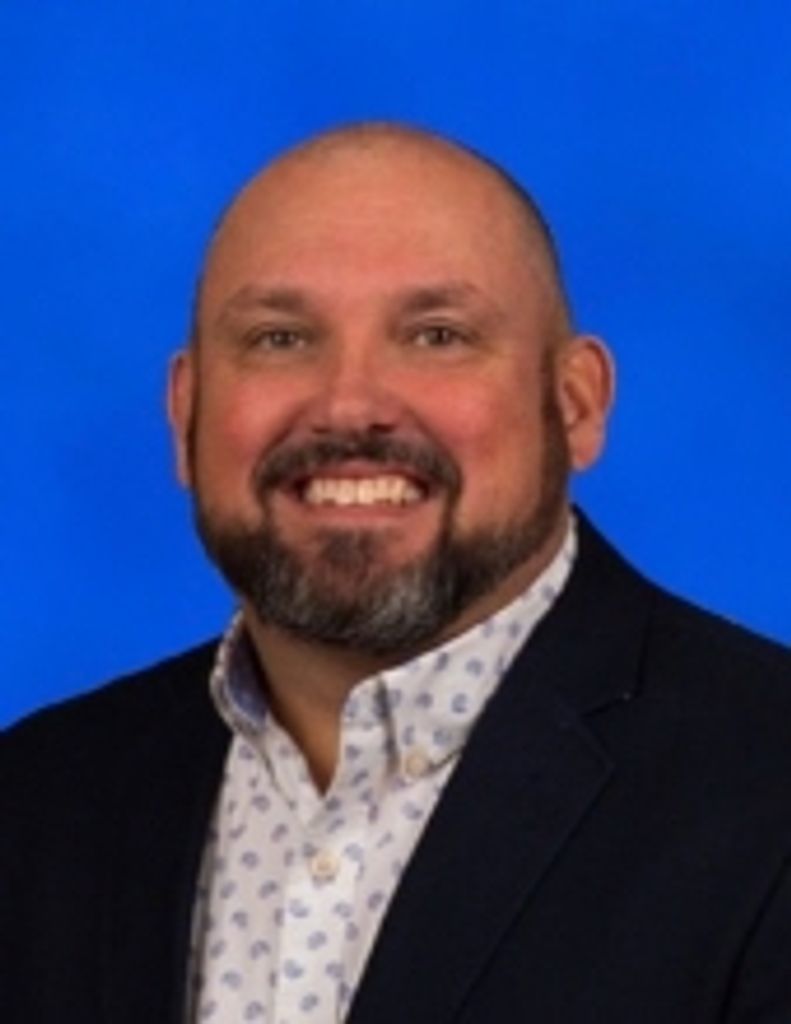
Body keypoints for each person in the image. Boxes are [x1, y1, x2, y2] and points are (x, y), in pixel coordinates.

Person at [3, 122, 791, 1024]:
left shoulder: (767, 789)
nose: (349, 405)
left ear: (576, 404)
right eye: (279, 338)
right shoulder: (35, 803)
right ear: (185, 414)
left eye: (436, 335)